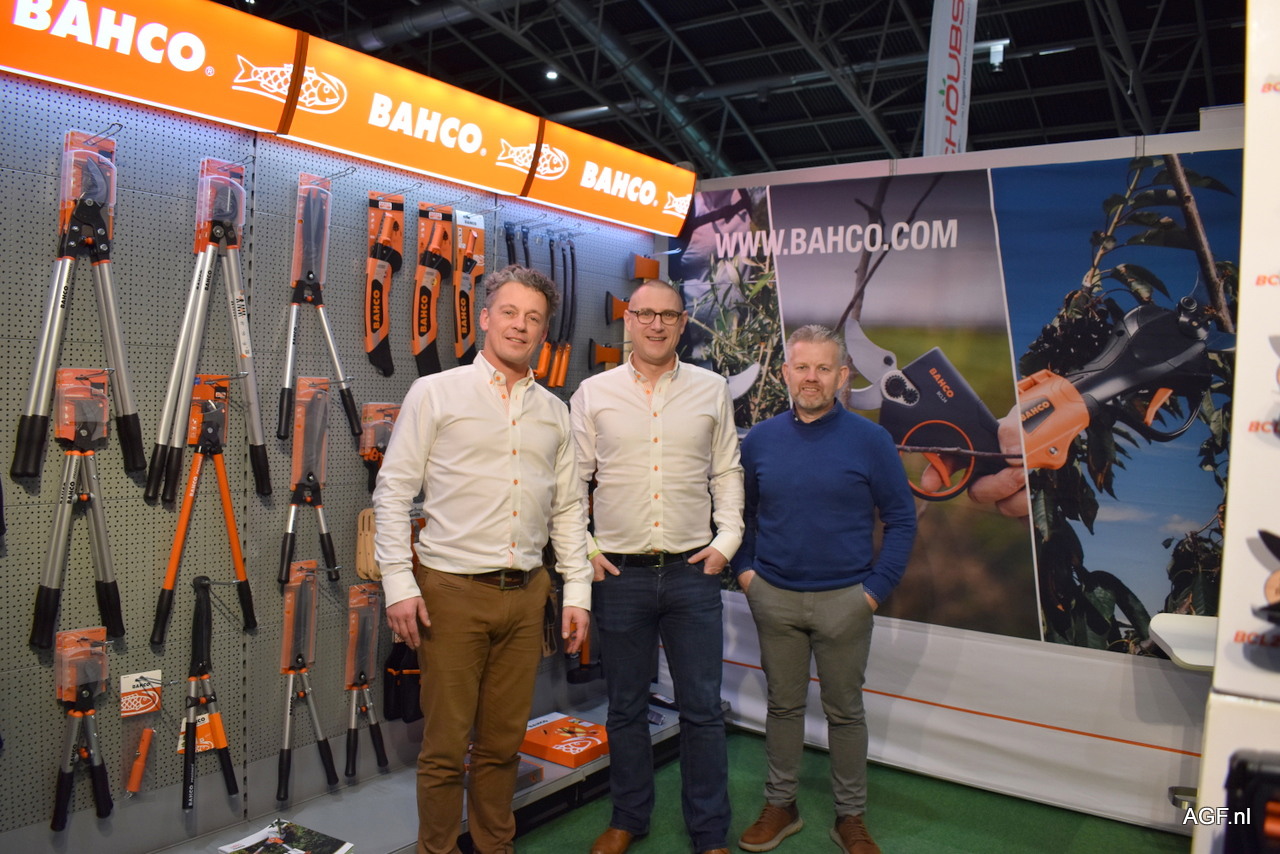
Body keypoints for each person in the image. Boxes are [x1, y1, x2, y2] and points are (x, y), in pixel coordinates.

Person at [372, 265, 592, 854]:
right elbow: (392, 493)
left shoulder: (554, 412)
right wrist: (398, 584)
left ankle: (496, 846)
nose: (521, 326)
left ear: (543, 331)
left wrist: (577, 594)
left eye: (534, 318)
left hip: (527, 596)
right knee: (445, 749)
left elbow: (569, 509)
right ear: (486, 318)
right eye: (510, 313)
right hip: (450, 595)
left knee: (502, 744)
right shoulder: (435, 393)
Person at [569, 279, 743, 854]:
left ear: (683, 321)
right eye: (645, 313)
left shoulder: (711, 389)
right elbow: (571, 484)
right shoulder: (593, 393)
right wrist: (587, 551)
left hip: (694, 572)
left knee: (702, 710)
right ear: (629, 319)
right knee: (625, 707)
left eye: (668, 315)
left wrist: (728, 540)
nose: (656, 324)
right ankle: (628, 819)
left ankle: (709, 832)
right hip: (620, 576)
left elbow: (726, 471)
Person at [733, 324, 917, 854]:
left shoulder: (871, 440)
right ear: (785, 373)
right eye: (802, 367)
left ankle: (850, 816)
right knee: (783, 707)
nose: (811, 377)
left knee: (846, 712)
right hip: (774, 597)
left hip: (847, 601)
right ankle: (781, 805)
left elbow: (902, 519)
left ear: (843, 376)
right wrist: (747, 576)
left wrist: (873, 592)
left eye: (823, 368)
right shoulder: (760, 440)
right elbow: (741, 515)